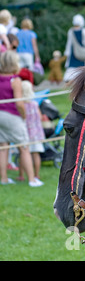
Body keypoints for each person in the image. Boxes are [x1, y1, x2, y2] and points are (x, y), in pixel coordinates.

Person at [0, 51, 43, 187]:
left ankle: (4, 178)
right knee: (24, 147)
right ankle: (32, 179)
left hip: (0, 115)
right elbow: (19, 103)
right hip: (12, 115)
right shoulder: (15, 80)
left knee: (3, 147)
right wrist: (23, 115)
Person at [18, 80, 45, 181]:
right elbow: (40, 117)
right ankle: (36, 174)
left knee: (23, 153)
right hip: (36, 134)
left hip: (25, 133)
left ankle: (21, 175)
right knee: (35, 154)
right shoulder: (34, 104)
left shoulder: (20, 106)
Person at [64, 14, 85, 82]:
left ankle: (70, 79)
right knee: (82, 67)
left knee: (72, 68)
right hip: (81, 53)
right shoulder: (84, 31)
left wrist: (67, 53)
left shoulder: (71, 31)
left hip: (73, 53)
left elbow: (69, 43)